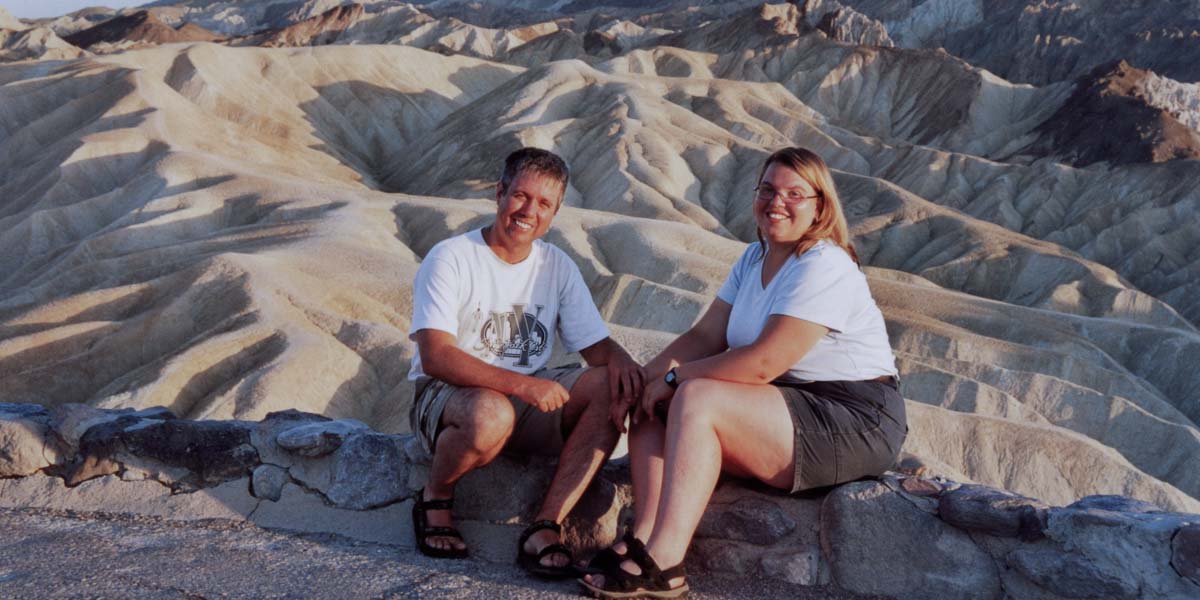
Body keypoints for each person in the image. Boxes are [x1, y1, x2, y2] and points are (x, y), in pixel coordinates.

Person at [579, 147, 905, 598]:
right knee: (654, 401)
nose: (777, 202)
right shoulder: (754, 258)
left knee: (695, 396)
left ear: (820, 207)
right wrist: (644, 381)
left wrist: (674, 380)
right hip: (787, 404)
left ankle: (666, 562)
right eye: (767, 190)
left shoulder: (824, 264)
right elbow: (705, 336)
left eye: (794, 194)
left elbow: (764, 363)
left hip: (854, 417)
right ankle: (645, 537)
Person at [408, 147, 644, 579]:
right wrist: (522, 386)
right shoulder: (452, 257)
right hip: (449, 396)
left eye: (543, 203)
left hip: (525, 398)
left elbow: (596, 349)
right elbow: (435, 356)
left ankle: (545, 526)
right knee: (491, 414)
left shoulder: (556, 267)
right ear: (500, 193)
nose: (528, 211)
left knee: (610, 385)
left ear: (555, 212)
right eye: (521, 196)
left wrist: (630, 371)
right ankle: (435, 497)